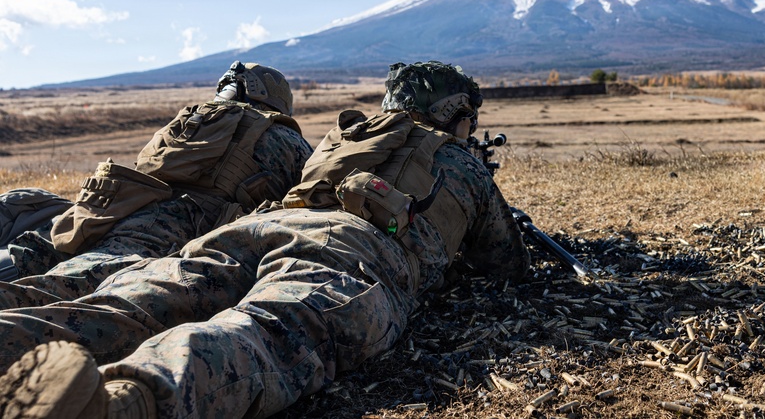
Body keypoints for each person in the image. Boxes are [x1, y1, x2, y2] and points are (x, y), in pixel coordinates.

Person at [0, 60, 529, 419]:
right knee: (266, 331)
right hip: (353, 251)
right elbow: (504, 263)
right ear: (458, 116)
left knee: (131, 300)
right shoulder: (463, 164)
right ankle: (126, 401)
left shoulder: (346, 136)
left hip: (250, 229)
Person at [0, 61, 314, 309]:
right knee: (79, 280)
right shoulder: (283, 138)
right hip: (183, 226)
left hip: (125, 206)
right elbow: (311, 193)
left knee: (38, 250)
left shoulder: (196, 117)